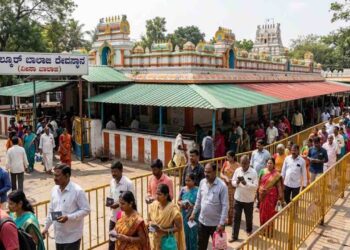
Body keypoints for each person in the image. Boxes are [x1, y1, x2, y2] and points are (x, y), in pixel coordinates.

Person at [42, 164, 91, 250]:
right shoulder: (54, 190)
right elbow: (51, 211)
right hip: (58, 236)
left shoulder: (77, 191)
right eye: (54, 175)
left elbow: (86, 210)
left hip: (72, 237)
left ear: (67, 175)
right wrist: (46, 228)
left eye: (57, 175)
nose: (54, 178)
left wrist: (68, 217)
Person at [190, 163, 228, 250]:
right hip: (202, 222)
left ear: (215, 172)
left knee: (219, 248)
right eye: (205, 172)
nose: (206, 174)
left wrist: (221, 223)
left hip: (216, 225)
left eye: (209, 172)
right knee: (201, 246)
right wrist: (193, 213)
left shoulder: (222, 186)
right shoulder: (202, 182)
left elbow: (225, 206)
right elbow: (198, 200)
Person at [148, 184, 185, 250]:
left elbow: (179, 228)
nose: (157, 197)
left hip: (167, 241)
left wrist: (164, 231)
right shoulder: (153, 205)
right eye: (156, 194)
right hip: (154, 240)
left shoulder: (173, 210)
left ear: (166, 195)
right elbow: (149, 219)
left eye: (159, 194)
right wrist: (150, 225)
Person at [230, 155, 258, 242]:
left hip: (248, 200)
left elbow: (255, 186)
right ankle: (234, 236)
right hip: (238, 199)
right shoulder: (238, 170)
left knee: (248, 217)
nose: (243, 165)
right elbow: (233, 182)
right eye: (242, 163)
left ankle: (249, 230)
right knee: (236, 218)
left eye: (245, 163)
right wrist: (237, 182)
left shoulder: (254, 172)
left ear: (249, 163)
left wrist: (246, 183)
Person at [107, 161, 134, 250]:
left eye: (115, 171)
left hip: (124, 218)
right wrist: (109, 203)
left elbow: (132, 201)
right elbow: (110, 195)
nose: (113, 174)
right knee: (112, 239)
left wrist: (118, 204)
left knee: (123, 240)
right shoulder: (112, 182)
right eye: (112, 172)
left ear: (121, 170)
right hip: (113, 217)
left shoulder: (128, 183)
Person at [258, 158, 284, 227]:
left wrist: (280, 196)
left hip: (272, 197)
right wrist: (260, 190)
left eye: (271, 163)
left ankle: (270, 230)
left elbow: (279, 186)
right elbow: (259, 182)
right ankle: (262, 229)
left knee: (270, 213)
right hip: (262, 195)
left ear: (274, 165)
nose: (269, 165)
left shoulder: (277, 174)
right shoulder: (262, 171)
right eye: (268, 163)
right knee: (262, 212)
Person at [178, 174, 199, 250]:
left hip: (194, 216)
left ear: (194, 181)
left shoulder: (198, 190)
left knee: (193, 235)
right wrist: (182, 203)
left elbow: (199, 203)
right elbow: (178, 200)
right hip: (184, 215)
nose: (187, 182)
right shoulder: (183, 189)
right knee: (185, 234)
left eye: (189, 180)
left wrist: (192, 206)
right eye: (186, 180)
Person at [220, 151, 240, 225]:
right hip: (224, 185)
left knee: (231, 203)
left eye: (228, 157)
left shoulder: (238, 166)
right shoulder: (225, 163)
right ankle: (223, 218)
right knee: (224, 202)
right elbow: (221, 173)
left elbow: (239, 177)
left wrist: (232, 180)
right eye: (227, 156)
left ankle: (230, 219)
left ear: (233, 157)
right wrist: (225, 177)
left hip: (232, 187)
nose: (227, 158)